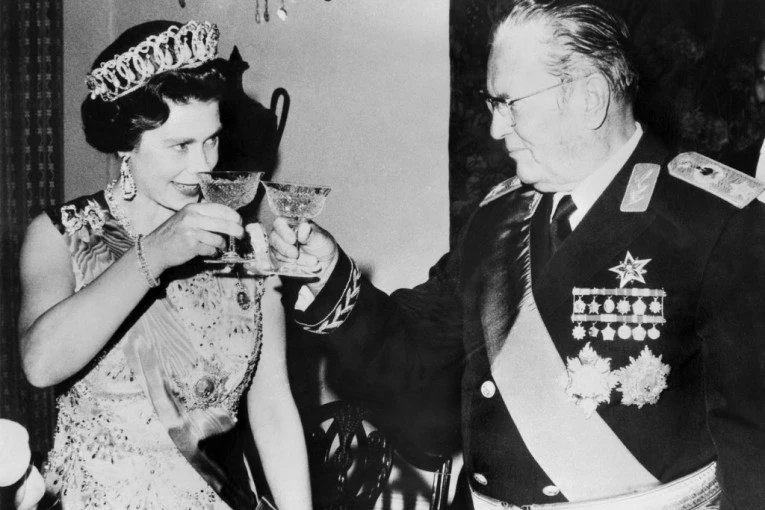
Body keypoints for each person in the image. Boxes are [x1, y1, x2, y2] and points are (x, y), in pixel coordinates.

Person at [269, 1, 765, 509]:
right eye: (491, 104)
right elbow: (417, 356)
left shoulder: (716, 223)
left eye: (509, 103)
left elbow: (756, 453)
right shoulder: (497, 218)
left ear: (590, 98)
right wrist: (331, 277)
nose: (495, 129)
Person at [18, 20, 312, 510]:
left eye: (211, 140)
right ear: (125, 144)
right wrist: (155, 252)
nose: (204, 166)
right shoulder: (63, 235)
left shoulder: (242, 247)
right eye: (180, 146)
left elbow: (273, 406)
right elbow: (40, 364)